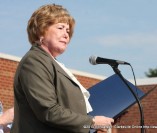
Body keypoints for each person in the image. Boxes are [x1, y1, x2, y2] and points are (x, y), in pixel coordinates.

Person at [11, 4, 114, 133]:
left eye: (68, 31)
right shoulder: (34, 61)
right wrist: (91, 122)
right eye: (61, 28)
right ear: (40, 30)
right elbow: (48, 111)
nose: (66, 35)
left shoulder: (53, 63)